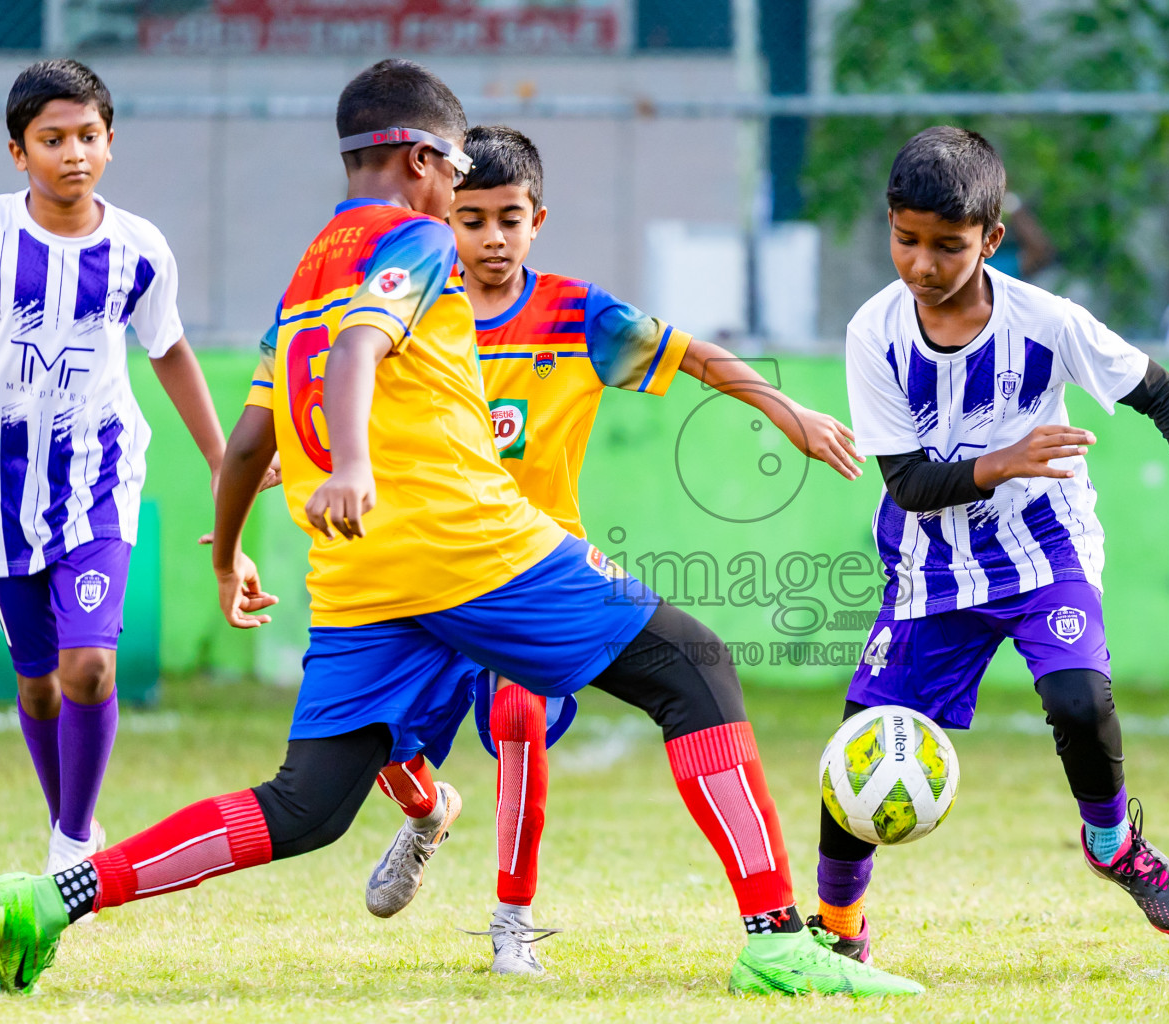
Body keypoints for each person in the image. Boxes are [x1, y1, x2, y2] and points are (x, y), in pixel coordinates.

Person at [0, 58, 921, 999]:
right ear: (420, 156)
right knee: (696, 665)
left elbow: (244, 446)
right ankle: (774, 937)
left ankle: (52, 897)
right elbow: (366, 340)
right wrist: (351, 460)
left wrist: (229, 554)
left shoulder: (307, 272)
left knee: (305, 806)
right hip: (469, 547)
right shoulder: (415, 241)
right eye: (453, 169)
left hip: (360, 579)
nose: (458, 193)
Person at [361, 123, 866, 976]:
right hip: (422, 566)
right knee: (373, 738)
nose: (490, 238)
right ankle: (426, 810)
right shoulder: (408, 307)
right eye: (472, 218)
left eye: (509, 218)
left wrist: (789, 411)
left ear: (538, 219)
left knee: (532, 707)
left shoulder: (575, 313)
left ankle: (510, 925)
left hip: (536, 572)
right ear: (444, 216)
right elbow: (344, 392)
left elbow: (694, 356)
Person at [811, 126, 1169, 960]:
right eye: (906, 241)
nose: (923, 265)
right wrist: (1006, 459)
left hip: (1045, 547)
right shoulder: (874, 333)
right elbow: (907, 483)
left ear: (992, 241)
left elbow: (1159, 391)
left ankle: (1114, 843)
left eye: (948, 246)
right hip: (929, 567)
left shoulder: (1044, 321)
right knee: (859, 749)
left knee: (1082, 702)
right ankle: (837, 932)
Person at [0, 60, 232, 878]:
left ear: (111, 142)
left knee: (87, 665)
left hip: (96, 479)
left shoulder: (139, 248)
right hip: (2, 492)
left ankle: (70, 842)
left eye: (87, 137)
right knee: (34, 688)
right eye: (51, 140)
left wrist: (218, 457)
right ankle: (70, 827)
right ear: (19, 152)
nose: (73, 154)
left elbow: (167, 350)